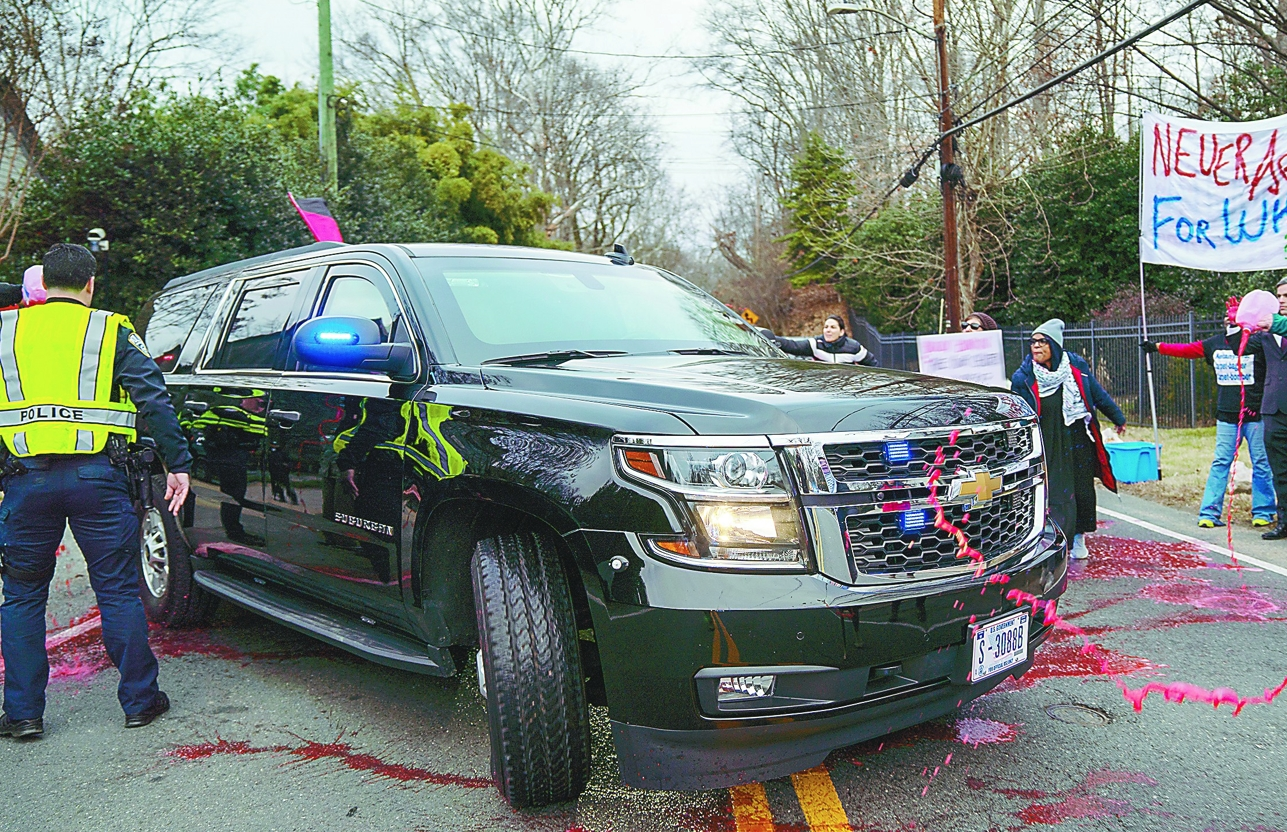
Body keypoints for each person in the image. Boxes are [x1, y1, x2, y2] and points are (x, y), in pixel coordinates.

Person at [0, 243, 192, 740]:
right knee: (117, 589)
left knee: (21, 595)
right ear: (90, 283)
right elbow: (153, 396)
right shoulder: (111, 328)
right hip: (99, 482)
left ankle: (23, 715)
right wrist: (178, 463)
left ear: (43, 283)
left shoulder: (5, 329)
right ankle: (140, 703)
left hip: (24, 482)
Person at [1141, 301, 1274, 528]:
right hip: (1226, 417)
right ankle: (1209, 513)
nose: (1228, 318)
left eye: (1234, 314)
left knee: (1261, 462)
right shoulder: (1214, 344)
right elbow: (1187, 350)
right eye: (1226, 314)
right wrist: (1158, 347)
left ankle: (1263, 511)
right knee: (1221, 461)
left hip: (1255, 416)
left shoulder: (1259, 343)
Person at [1011, 319, 1125, 560]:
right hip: (1047, 441)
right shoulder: (1023, 377)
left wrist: (1117, 417)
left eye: (1042, 342)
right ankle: (1055, 539)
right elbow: (1017, 411)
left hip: (1076, 437)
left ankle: (1079, 536)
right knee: (1055, 492)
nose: (1036, 347)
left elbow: (1097, 393)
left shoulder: (1075, 366)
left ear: (1055, 344)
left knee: (1082, 489)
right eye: (1033, 342)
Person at [1257, 278, 1287, 540]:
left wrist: (1276, 323)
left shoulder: (1278, 325)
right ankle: (1284, 522)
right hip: (1274, 409)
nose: (1282, 300)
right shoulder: (1266, 332)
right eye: (1279, 296)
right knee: (1280, 471)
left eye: (1286, 295)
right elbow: (1235, 347)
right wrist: (1237, 324)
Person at [770, 314, 878, 366]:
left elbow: (873, 366)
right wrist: (771, 339)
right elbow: (792, 345)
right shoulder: (816, 345)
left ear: (841, 332)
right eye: (826, 327)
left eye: (832, 327)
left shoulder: (854, 347)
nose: (828, 330)